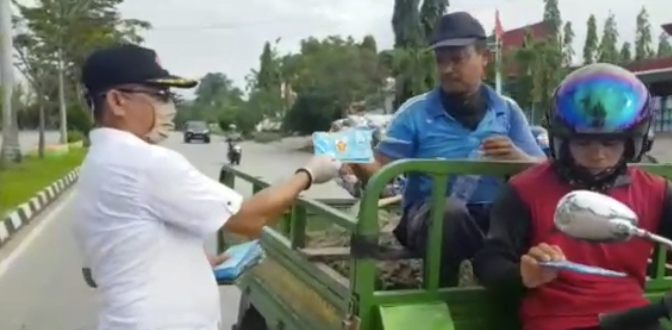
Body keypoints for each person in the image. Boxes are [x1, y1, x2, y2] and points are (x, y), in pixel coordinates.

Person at [72, 44, 341, 330]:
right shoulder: (144, 163)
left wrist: (196, 263)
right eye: (158, 95)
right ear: (117, 101)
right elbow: (249, 218)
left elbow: (126, 248)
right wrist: (309, 173)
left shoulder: (101, 160)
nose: (169, 107)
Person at [349, 12, 545, 286]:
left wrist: (519, 159)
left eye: (457, 59)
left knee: (536, 220)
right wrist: (351, 154)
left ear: (484, 58)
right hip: (428, 218)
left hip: (491, 218)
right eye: (441, 60)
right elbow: (379, 174)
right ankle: (447, 291)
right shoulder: (415, 113)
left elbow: (543, 172)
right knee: (449, 213)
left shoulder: (508, 112)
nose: (446, 69)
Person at [473, 63, 671, 330]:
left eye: (610, 143)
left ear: (633, 143)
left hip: (633, 318)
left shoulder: (656, 192)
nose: (597, 154)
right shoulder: (525, 189)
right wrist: (524, 274)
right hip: (554, 320)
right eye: (583, 142)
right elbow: (488, 262)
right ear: (562, 141)